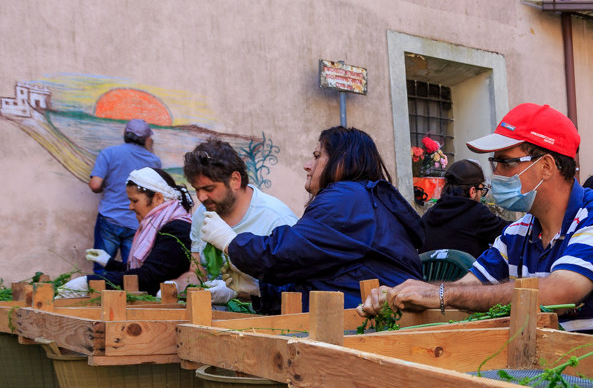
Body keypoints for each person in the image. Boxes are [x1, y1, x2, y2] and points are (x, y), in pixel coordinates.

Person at [361, 103, 593, 333]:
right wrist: (405, 295)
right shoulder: (519, 232)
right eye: (495, 163)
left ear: (546, 166)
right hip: (555, 370)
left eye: (504, 162)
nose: (496, 174)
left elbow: (558, 294)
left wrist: (437, 293)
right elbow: (469, 286)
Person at [197, 126, 424, 312]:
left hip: (373, 323)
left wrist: (230, 242)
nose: (308, 165)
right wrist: (258, 289)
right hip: (374, 314)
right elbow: (325, 281)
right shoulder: (361, 198)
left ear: (342, 161)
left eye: (317, 157)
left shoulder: (346, 198)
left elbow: (284, 253)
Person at [181, 140, 297, 304]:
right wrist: (181, 285)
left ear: (235, 179)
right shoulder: (202, 213)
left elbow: (293, 291)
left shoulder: (277, 218)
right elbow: (197, 270)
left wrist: (237, 293)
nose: (201, 197)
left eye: (209, 189)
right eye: (196, 189)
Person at [61, 168, 193, 296]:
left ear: (158, 198)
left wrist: (89, 282)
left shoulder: (177, 229)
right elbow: (144, 271)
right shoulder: (161, 225)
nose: (130, 207)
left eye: (135, 201)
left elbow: (150, 276)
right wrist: (109, 263)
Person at [87, 119, 162, 273]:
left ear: (124, 134)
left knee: (102, 268)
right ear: (147, 139)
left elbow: (95, 184)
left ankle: (101, 296)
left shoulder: (109, 153)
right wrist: (149, 149)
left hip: (109, 218)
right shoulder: (154, 161)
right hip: (136, 222)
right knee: (133, 272)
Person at [418, 159, 508, 258]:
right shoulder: (476, 212)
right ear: (472, 191)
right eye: (482, 190)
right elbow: (510, 233)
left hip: (430, 273)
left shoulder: (430, 214)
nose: (482, 196)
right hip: (468, 273)